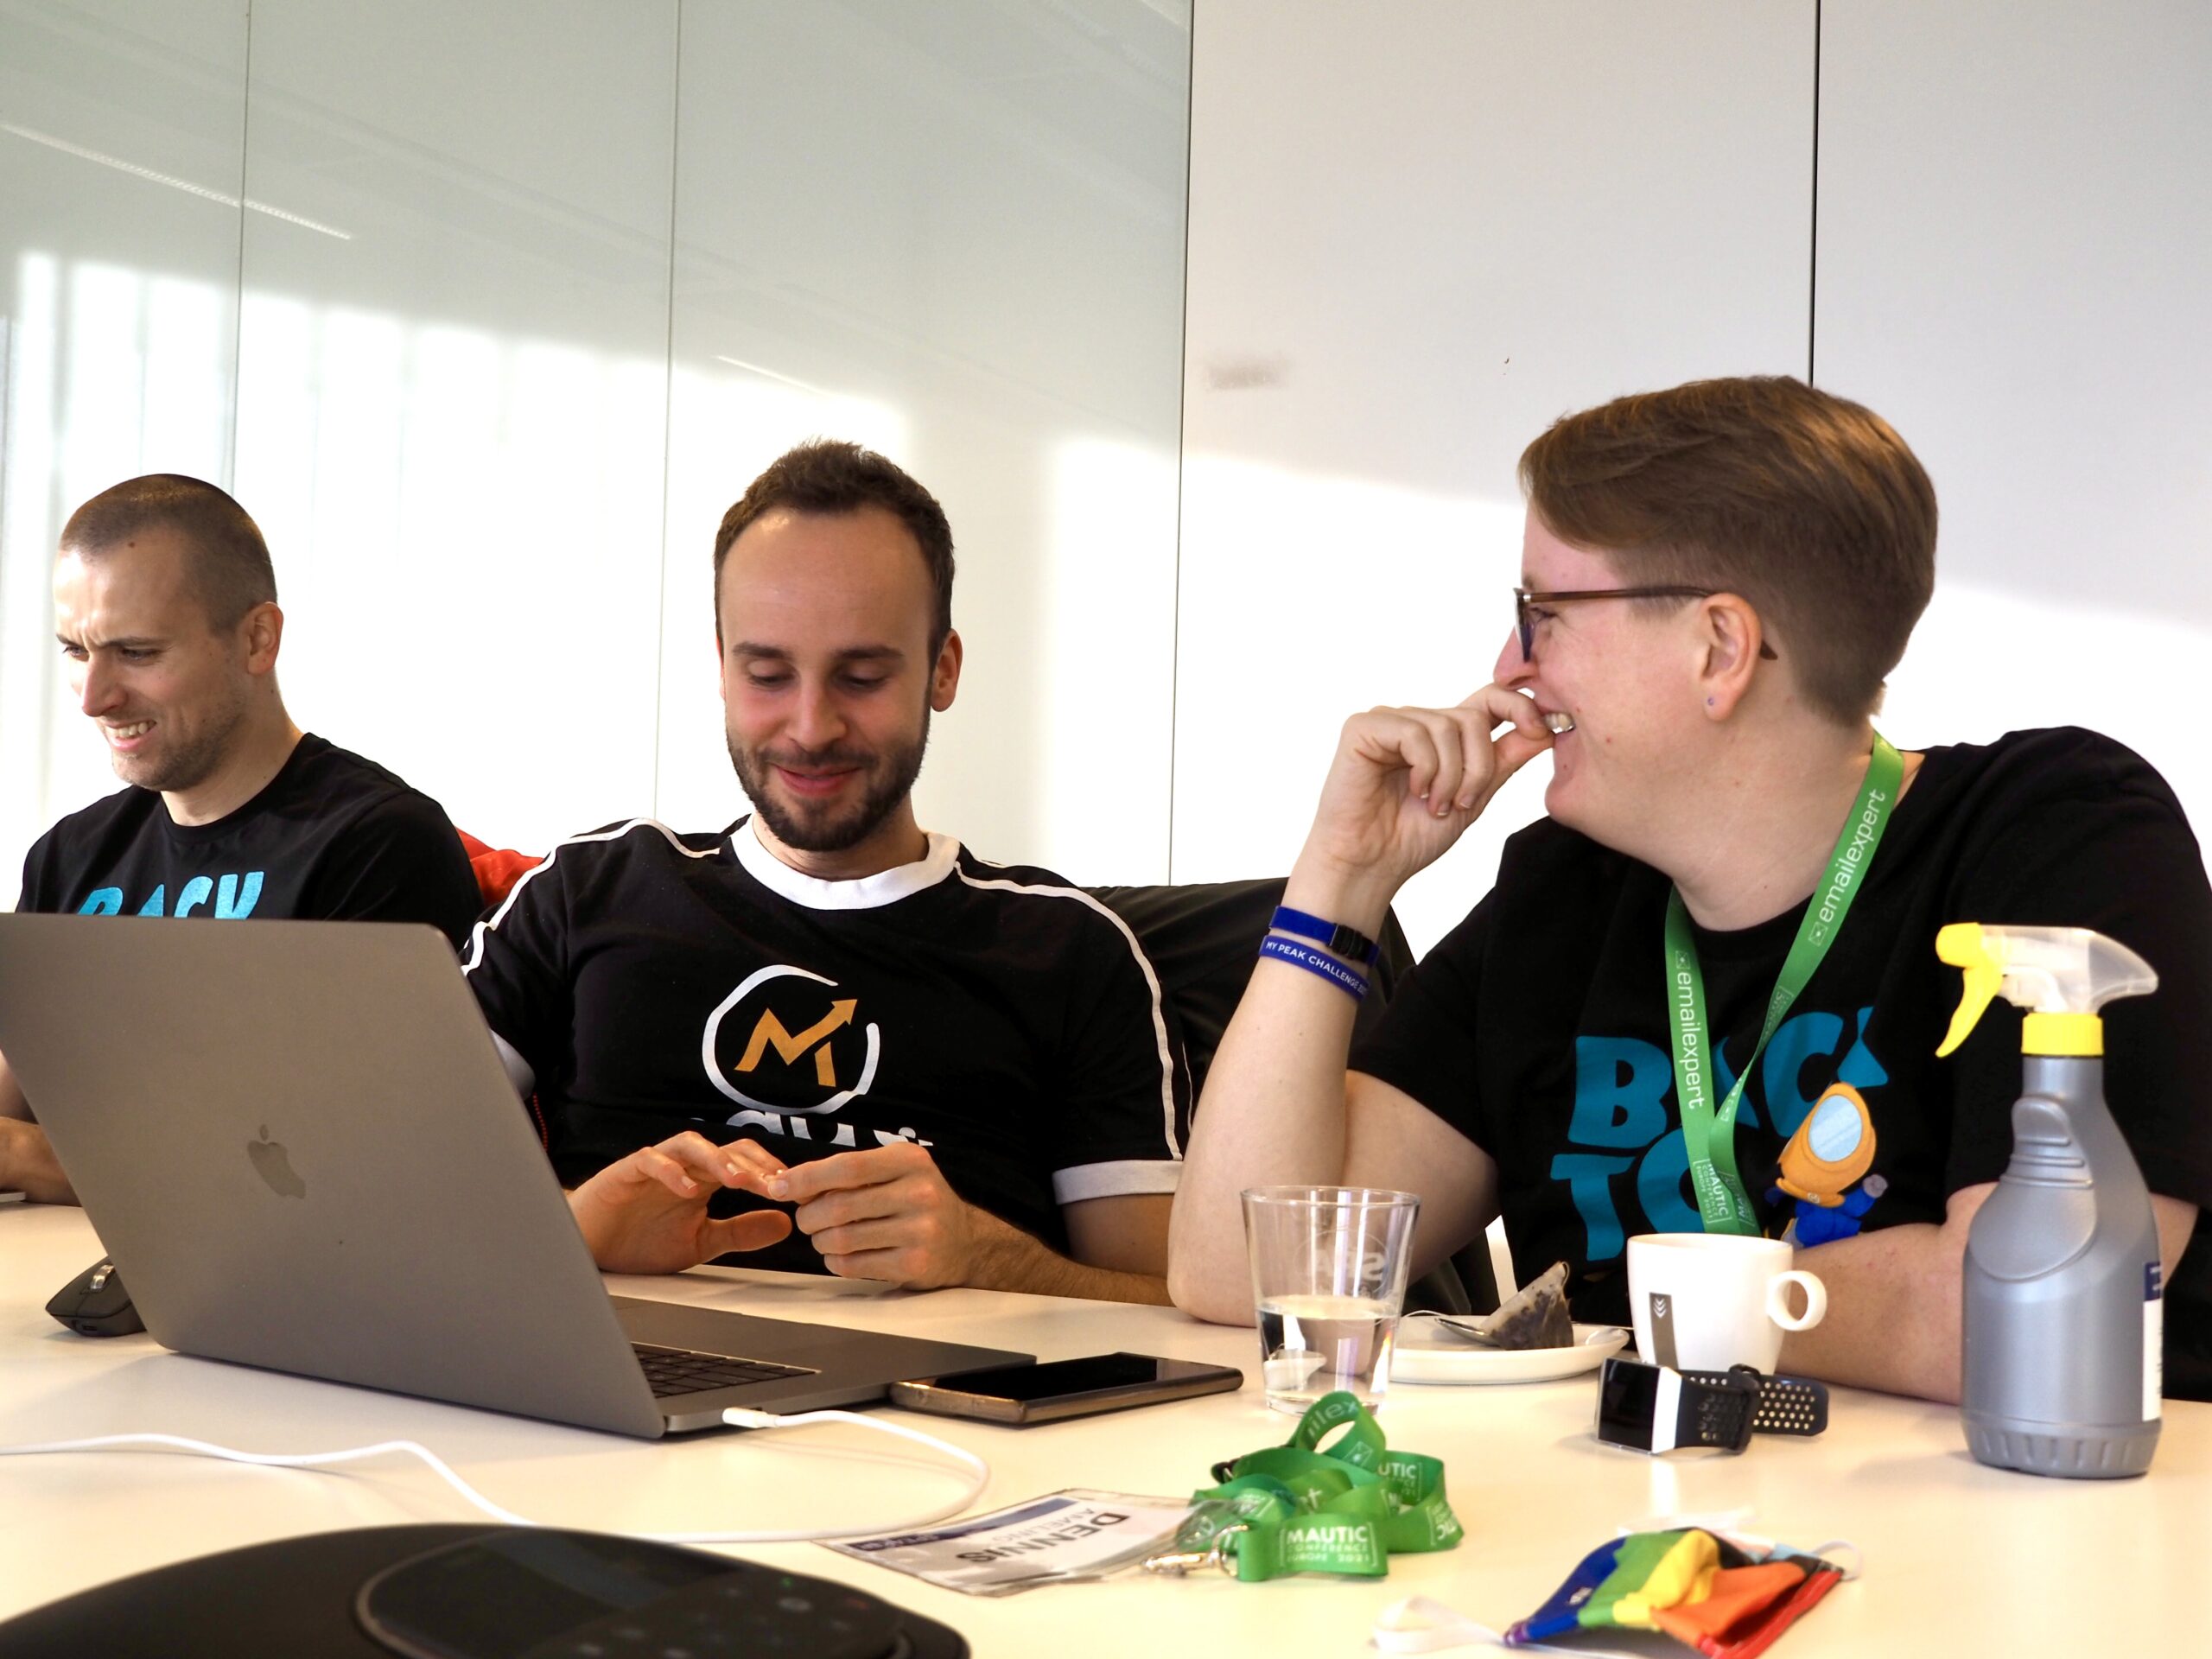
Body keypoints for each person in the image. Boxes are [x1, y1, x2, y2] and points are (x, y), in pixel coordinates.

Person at [1165, 375, 2212, 1403]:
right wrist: (1340, 881)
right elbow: (1240, 1274)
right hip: (1626, 1529)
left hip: (2012, 1547)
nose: (1509, 665)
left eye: (1542, 616)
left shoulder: (2054, 830)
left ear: (1720, 648)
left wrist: (1656, 1312)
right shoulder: (1566, 894)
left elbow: (2035, 1316)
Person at [463, 440, 1186, 1302]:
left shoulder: (1068, 952)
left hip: (940, 1424)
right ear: (723, 668)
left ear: (942, 670)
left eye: (862, 676)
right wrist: (573, 1232)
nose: (810, 727)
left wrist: (984, 1257)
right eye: (767, 674)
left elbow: (1174, 1312)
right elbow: (376, 1183)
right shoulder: (587, 894)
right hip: (607, 1406)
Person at [0, 474, 484, 1202]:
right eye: (76, 651)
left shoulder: (378, 842)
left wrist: (36, 1160)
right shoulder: (71, 854)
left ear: (257, 639)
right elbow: (12, 1101)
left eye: (136, 652)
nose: (96, 697)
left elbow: (328, 1164)